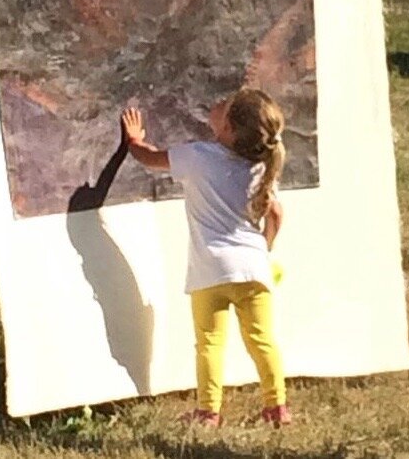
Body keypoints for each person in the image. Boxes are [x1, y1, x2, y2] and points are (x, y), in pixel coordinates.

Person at [121, 87, 291, 428]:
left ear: (228, 128)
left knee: (209, 344)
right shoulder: (261, 164)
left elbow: (149, 158)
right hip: (253, 269)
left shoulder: (197, 156)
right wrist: (264, 248)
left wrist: (133, 140)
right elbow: (275, 214)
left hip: (209, 270)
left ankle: (208, 412)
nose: (214, 104)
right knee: (262, 340)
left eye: (222, 106)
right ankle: (277, 407)